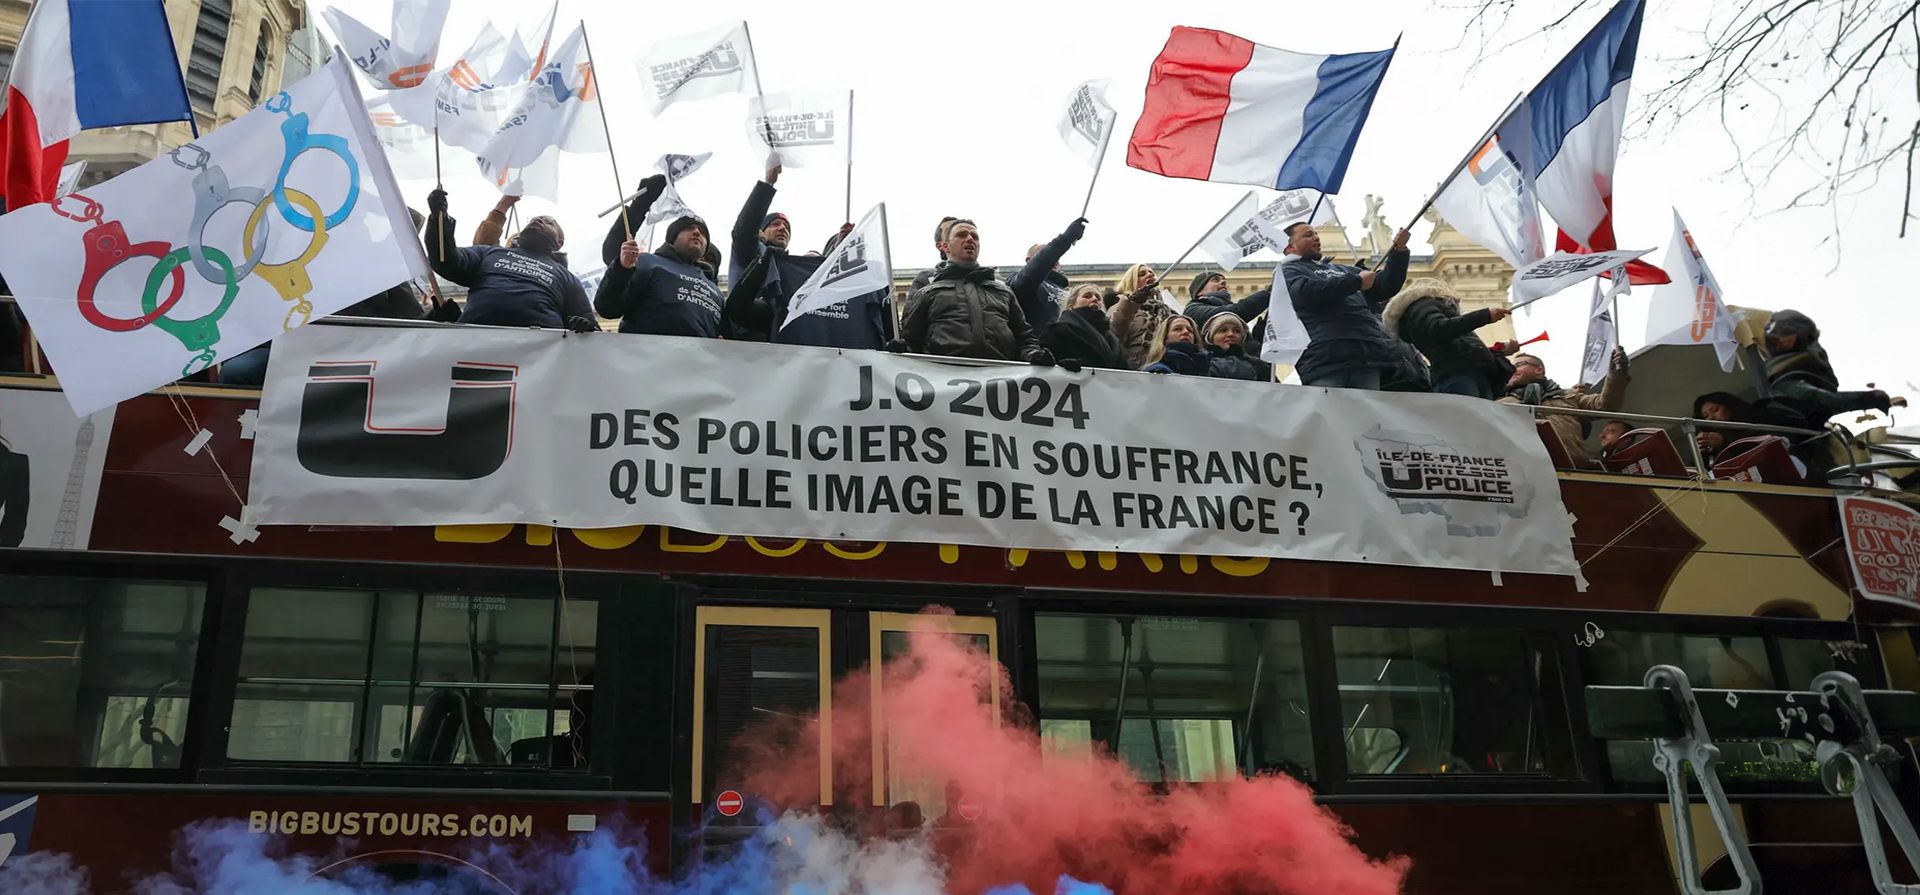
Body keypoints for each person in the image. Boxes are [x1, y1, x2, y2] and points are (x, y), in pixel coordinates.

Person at [717, 164, 882, 348]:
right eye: (775, 224)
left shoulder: (787, 268)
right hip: (751, 343)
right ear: (760, 232)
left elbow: (817, 287)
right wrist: (768, 184)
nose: (782, 229)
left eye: (787, 227)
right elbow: (744, 231)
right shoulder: (753, 252)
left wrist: (840, 248)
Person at [424, 188, 596, 332]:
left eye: (549, 222)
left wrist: (584, 329)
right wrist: (439, 219)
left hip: (539, 358)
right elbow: (446, 261)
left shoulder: (566, 277)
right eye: (534, 219)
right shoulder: (489, 253)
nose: (538, 220)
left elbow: (592, 329)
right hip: (475, 344)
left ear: (559, 243)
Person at [901, 220, 1055, 365]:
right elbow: (910, 341)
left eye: (974, 236)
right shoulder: (926, 293)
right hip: (942, 382)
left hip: (1000, 383)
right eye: (961, 235)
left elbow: (1025, 338)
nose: (969, 239)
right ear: (946, 247)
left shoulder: (1004, 292)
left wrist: (1034, 355)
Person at [1279, 223, 1410, 389]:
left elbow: (1385, 286)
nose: (1316, 237)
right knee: (1332, 413)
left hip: (1367, 355)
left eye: (1316, 234)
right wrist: (1356, 281)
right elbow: (1306, 293)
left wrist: (1398, 252)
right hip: (1325, 359)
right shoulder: (1288, 271)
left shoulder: (1343, 270)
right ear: (1290, 247)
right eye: (1308, 235)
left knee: (1365, 413)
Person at [1381, 278, 1516, 398]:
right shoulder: (1422, 305)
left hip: (1465, 373)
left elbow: (1455, 344)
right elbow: (1439, 329)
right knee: (1469, 420)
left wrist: (1497, 352)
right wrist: (1485, 316)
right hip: (1460, 374)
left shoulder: (1423, 311)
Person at [1763, 310, 1906, 420]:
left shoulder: (1799, 364)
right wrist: (1866, 399)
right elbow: (1817, 398)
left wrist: (1867, 399)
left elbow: (1820, 398)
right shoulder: (1776, 374)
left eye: (1786, 333)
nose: (1780, 340)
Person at [596, 215, 725, 337]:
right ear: (673, 237)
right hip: (645, 356)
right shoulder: (648, 262)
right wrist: (622, 269)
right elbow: (607, 307)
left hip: (700, 359)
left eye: (703, 232)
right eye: (689, 228)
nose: (697, 232)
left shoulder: (716, 292)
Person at [1500, 347, 1630, 468]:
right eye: (1511, 367)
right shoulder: (1501, 404)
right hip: (1530, 473)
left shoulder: (1568, 396)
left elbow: (1606, 404)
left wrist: (1616, 372)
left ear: (1538, 370)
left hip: (1574, 470)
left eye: (1519, 365)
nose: (1513, 369)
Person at [1007, 218, 1088, 330]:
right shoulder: (1021, 281)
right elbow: (1039, 265)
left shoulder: (1066, 290)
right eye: (1048, 254)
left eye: (1057, 257)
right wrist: (1066, 239)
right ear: (1028, 260)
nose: (1054, 259)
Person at [1038, 284, 1126, 370]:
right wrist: (1060, 367)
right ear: (1071, 306)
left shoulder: (1113, 341)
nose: (1095, 299)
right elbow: (1042, 364)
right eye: (1087, 296)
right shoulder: (1056, 331)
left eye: (1098, 298)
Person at [1109, 264, 1175, 369]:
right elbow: (1113, 334)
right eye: (1142, 274)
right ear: (1132, 281)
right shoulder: (1120, 306)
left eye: (1151, 273)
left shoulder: (1167, 312)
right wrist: (1132, 303)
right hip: (1134, 372)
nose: (1149, 275)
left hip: (1164, 371)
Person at [1183, 269, 1272, 337]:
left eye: (1223, 280)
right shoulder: (1193, 309)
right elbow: (1236, 312)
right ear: (1199, 292)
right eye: (1215, 280)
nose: (1223, 282)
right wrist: (1271, 292)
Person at [1200, 312, 1271, 382]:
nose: (1230, 334)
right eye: (1223, 330)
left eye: (1236, 331)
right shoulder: (1201, 363)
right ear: (1210, 338)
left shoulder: (1259, 366)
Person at [1141, 314, 1209, 376]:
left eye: (1190, 330)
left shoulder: (1210, 366)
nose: (1186, 332)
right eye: (1177, 329)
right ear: (1165, 337)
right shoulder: (1157, 372)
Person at [909, 217, 961, 294]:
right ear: (940, 245)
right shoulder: (925, 279)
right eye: (950, 231)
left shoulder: (983, 278)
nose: (967, 237)